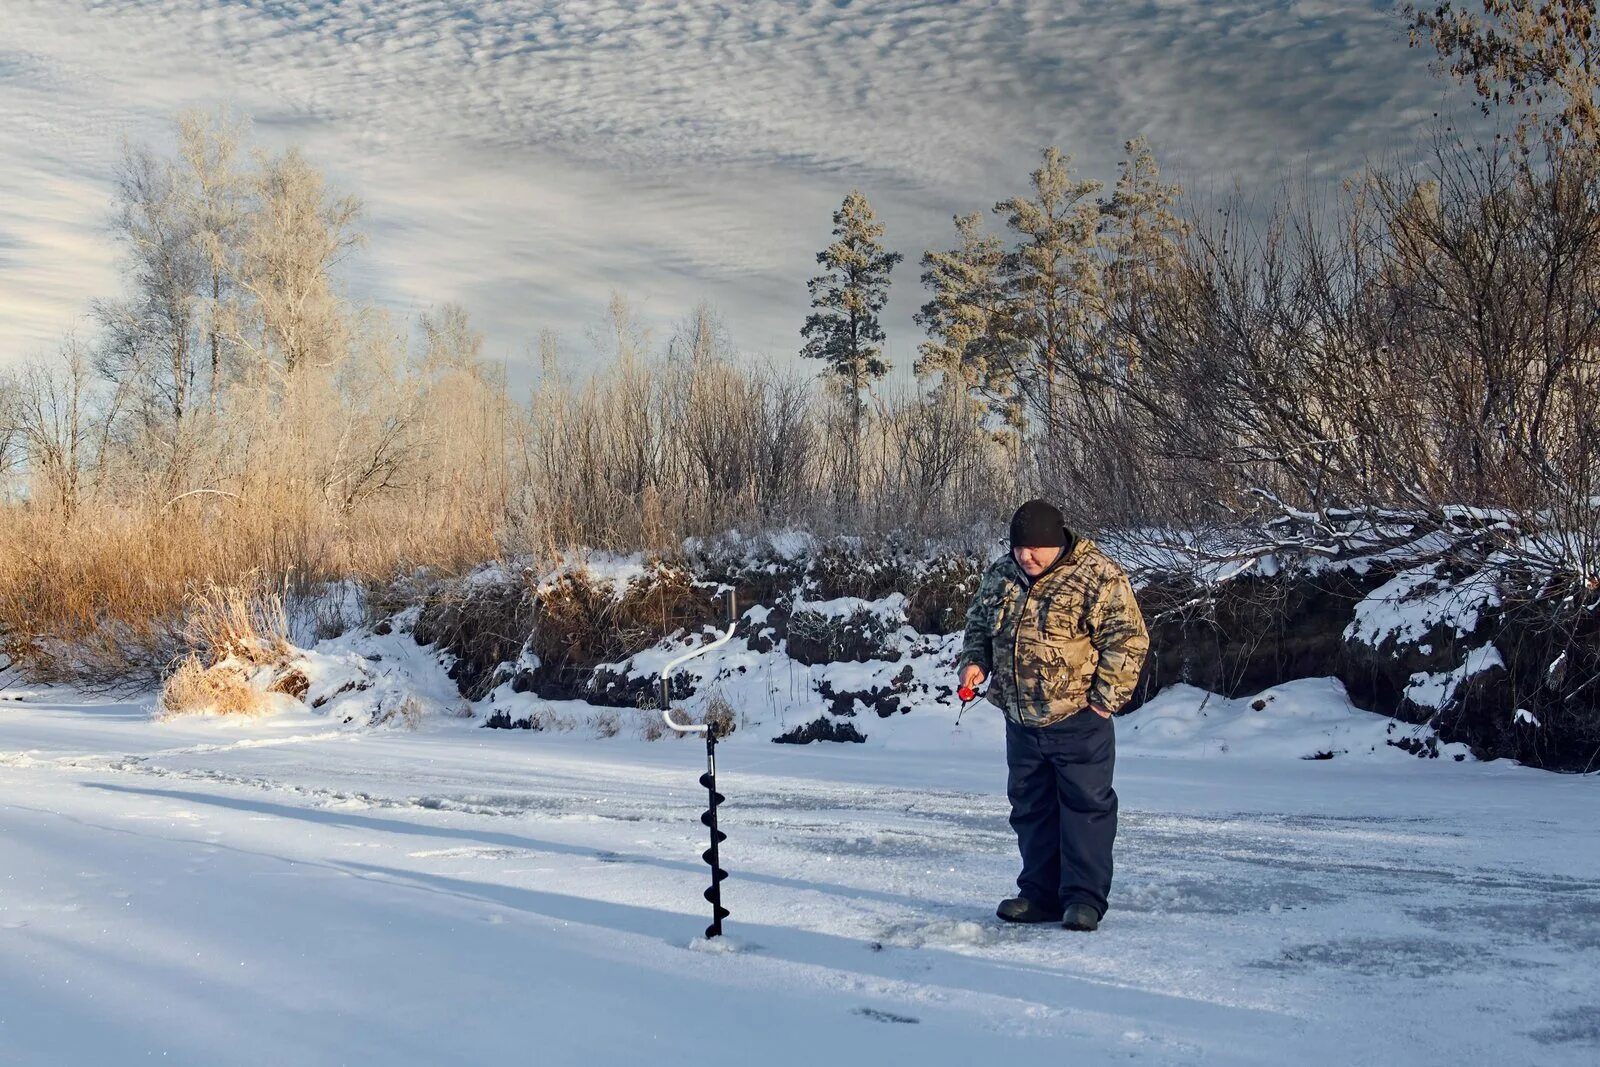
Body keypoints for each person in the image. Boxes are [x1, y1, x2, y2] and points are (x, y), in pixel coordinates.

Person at [956, 499, 1149, 931]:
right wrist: (975, 661)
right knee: (1030, 809)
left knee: (1085, 809)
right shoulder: (1002, 575)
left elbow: (1130, 639)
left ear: (1056, 541)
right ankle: (1039, 894)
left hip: (1078, 719)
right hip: (1020, 720)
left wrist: (1104, 699)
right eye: (1021, 548)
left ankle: (1083, 900)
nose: (1028, 556)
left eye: (1036, 548)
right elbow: (979, 626)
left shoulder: (1096, 575)